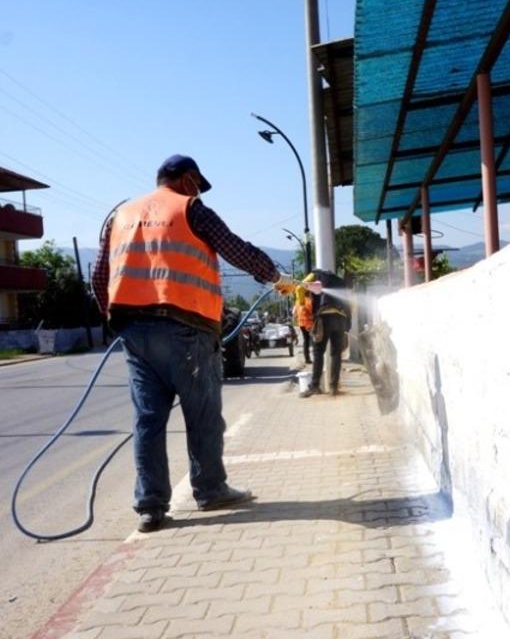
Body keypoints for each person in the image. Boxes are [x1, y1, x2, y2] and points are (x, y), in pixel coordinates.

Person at [92, 154, 296, 532]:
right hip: (186, 329)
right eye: (197, 185)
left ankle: (151, 507)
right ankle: (210, 489)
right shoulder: (191, 209)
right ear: (186, 179)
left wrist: (114, 322)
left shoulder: (119, 215)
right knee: (201, 414)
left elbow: (99, 273)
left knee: (148, 420)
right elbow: (235, 248)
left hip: (134, 333)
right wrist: (274, 276)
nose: (198, 192)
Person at [299, 268, 350, 398]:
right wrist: (347, 326)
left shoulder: (315, 274)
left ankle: (315, 386)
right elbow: (349, 302)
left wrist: (301, 303)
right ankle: (333, 387)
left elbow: (299, 288)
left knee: (318, 352)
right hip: (340, 318)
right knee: (336, 354)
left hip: (324, 318)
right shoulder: (340, 281)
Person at [292, 290, 313, 365]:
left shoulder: (298, 301)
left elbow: (293, 313)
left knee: (306, 340)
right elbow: (312, 311)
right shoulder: (308, 301)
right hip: (308, 323)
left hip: (301, 323)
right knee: (310, 340)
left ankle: (307, 358)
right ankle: (308, 358)